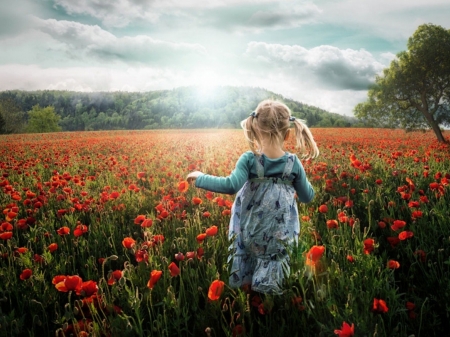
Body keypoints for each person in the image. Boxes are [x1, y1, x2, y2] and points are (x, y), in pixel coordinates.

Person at [187, 99, 319, 294]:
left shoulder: (249, 159)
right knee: (273, 270)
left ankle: (249, 297)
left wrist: (200, 177)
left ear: (255, 128)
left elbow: (230, 185)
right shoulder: (293, 163)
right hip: (278, 238)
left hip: (250, 235)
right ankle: (269, 303)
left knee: (249, 266)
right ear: (288, 133)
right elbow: (308, 197)